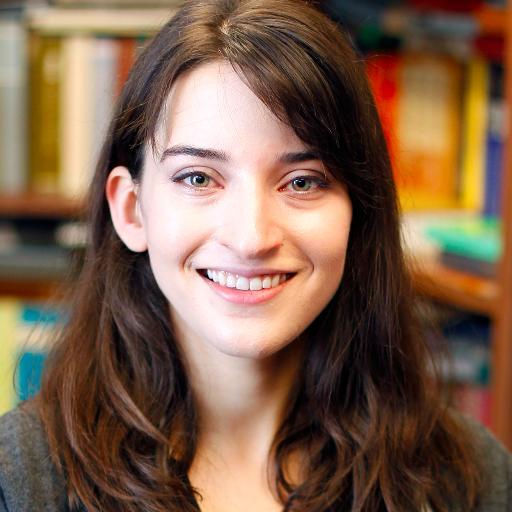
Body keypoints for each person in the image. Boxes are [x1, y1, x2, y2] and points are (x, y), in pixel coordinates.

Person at [1, 0, 511, 511]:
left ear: (359, 212)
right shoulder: (20, 484)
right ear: (131, 210)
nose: (250, 238)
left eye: (302, 182)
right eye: (198, 178)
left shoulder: (475, 479)